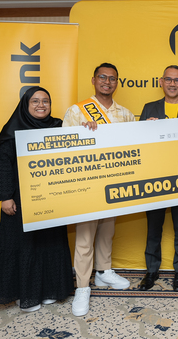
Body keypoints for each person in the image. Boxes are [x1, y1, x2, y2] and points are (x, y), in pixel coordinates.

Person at [0, 86, 74, 312]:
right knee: (25, 247)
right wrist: (5, 197)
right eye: (35, 101)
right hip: (20, 203)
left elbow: (80, 148)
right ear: (25, 104)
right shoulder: (12, 131)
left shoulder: (58, 127)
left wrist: (90, 128)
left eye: (46, 101)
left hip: (52, 199)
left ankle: (50, 290)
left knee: (50, 244)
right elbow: (2, 167)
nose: (41, 105)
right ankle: (25, 294)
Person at [63, 63, 136, 316]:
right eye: (102, 77)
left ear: (117, 82)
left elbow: (136, 144)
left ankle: (104, 272)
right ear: (93, 80)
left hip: (114, 181)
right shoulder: (76, 111)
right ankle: (83, 287)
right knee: (85, 236)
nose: (107, 81)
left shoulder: (125, 113)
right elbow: (63, 146)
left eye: (112, 78)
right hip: (86, 184)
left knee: (108, 228)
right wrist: (84, 134)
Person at [138, 65, 178, 291]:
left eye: (177, 80)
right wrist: (146, 129)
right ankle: (151, 271)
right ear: (161, 82)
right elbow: (139, 144)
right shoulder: (149, 108)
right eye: (169, 79)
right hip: (155, 178)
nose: (173, 84)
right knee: (153, 228)